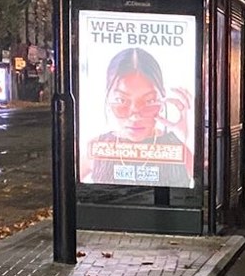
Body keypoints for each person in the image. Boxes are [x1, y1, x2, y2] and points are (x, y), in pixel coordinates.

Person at [82, 46, 194, 187]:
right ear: (108, 98)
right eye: (121, 100)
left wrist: (189, 138)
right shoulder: (95, 147)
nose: (135, 116)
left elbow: (208, 185)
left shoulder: (180, 148)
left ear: (162, 99)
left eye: (149, 101)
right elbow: (67, 189)